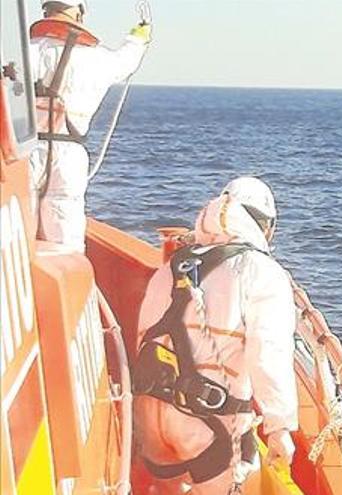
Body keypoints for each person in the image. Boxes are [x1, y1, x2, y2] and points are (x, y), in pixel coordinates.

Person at [133, 177, 298, 494]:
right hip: (207, 430)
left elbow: (143, 339)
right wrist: (280, 429)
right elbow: (268, 354)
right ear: (266, 228)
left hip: (150, 422)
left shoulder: (172, 267)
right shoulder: (261, 271)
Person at [29, 0, 151, 251]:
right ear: (79, 11)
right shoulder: (97, 60)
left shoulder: (22, 52)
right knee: (65, 238)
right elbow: (125, 61)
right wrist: (138, 37)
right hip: (69, 156)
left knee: (16, 226)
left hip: (23, 151)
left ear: (46, 10)